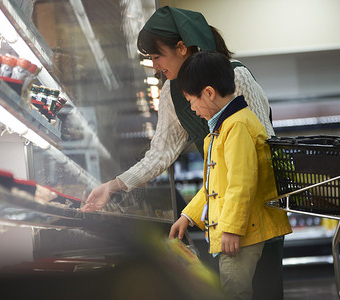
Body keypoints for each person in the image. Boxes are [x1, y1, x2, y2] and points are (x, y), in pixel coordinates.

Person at [81, 6, 284, 300]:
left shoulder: (235, 76)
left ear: (181, 47)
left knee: (262, 289)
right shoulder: (170, 93)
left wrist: (234, 224)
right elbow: (160, 155)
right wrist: (114, 186)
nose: (154, 66)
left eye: (156, 55)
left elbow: (261, 153)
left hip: (258, 211)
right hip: (225, 214)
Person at [168, 50, 292, 300]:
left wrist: (232, 229)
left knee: (234, 291)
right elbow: (215, 185)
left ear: (209, 93)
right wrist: (188, 216)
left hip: (242, 232)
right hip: (238, 229)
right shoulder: (225, 127)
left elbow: (241, 184)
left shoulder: (236, 126)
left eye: (191, 100)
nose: (192, 108)